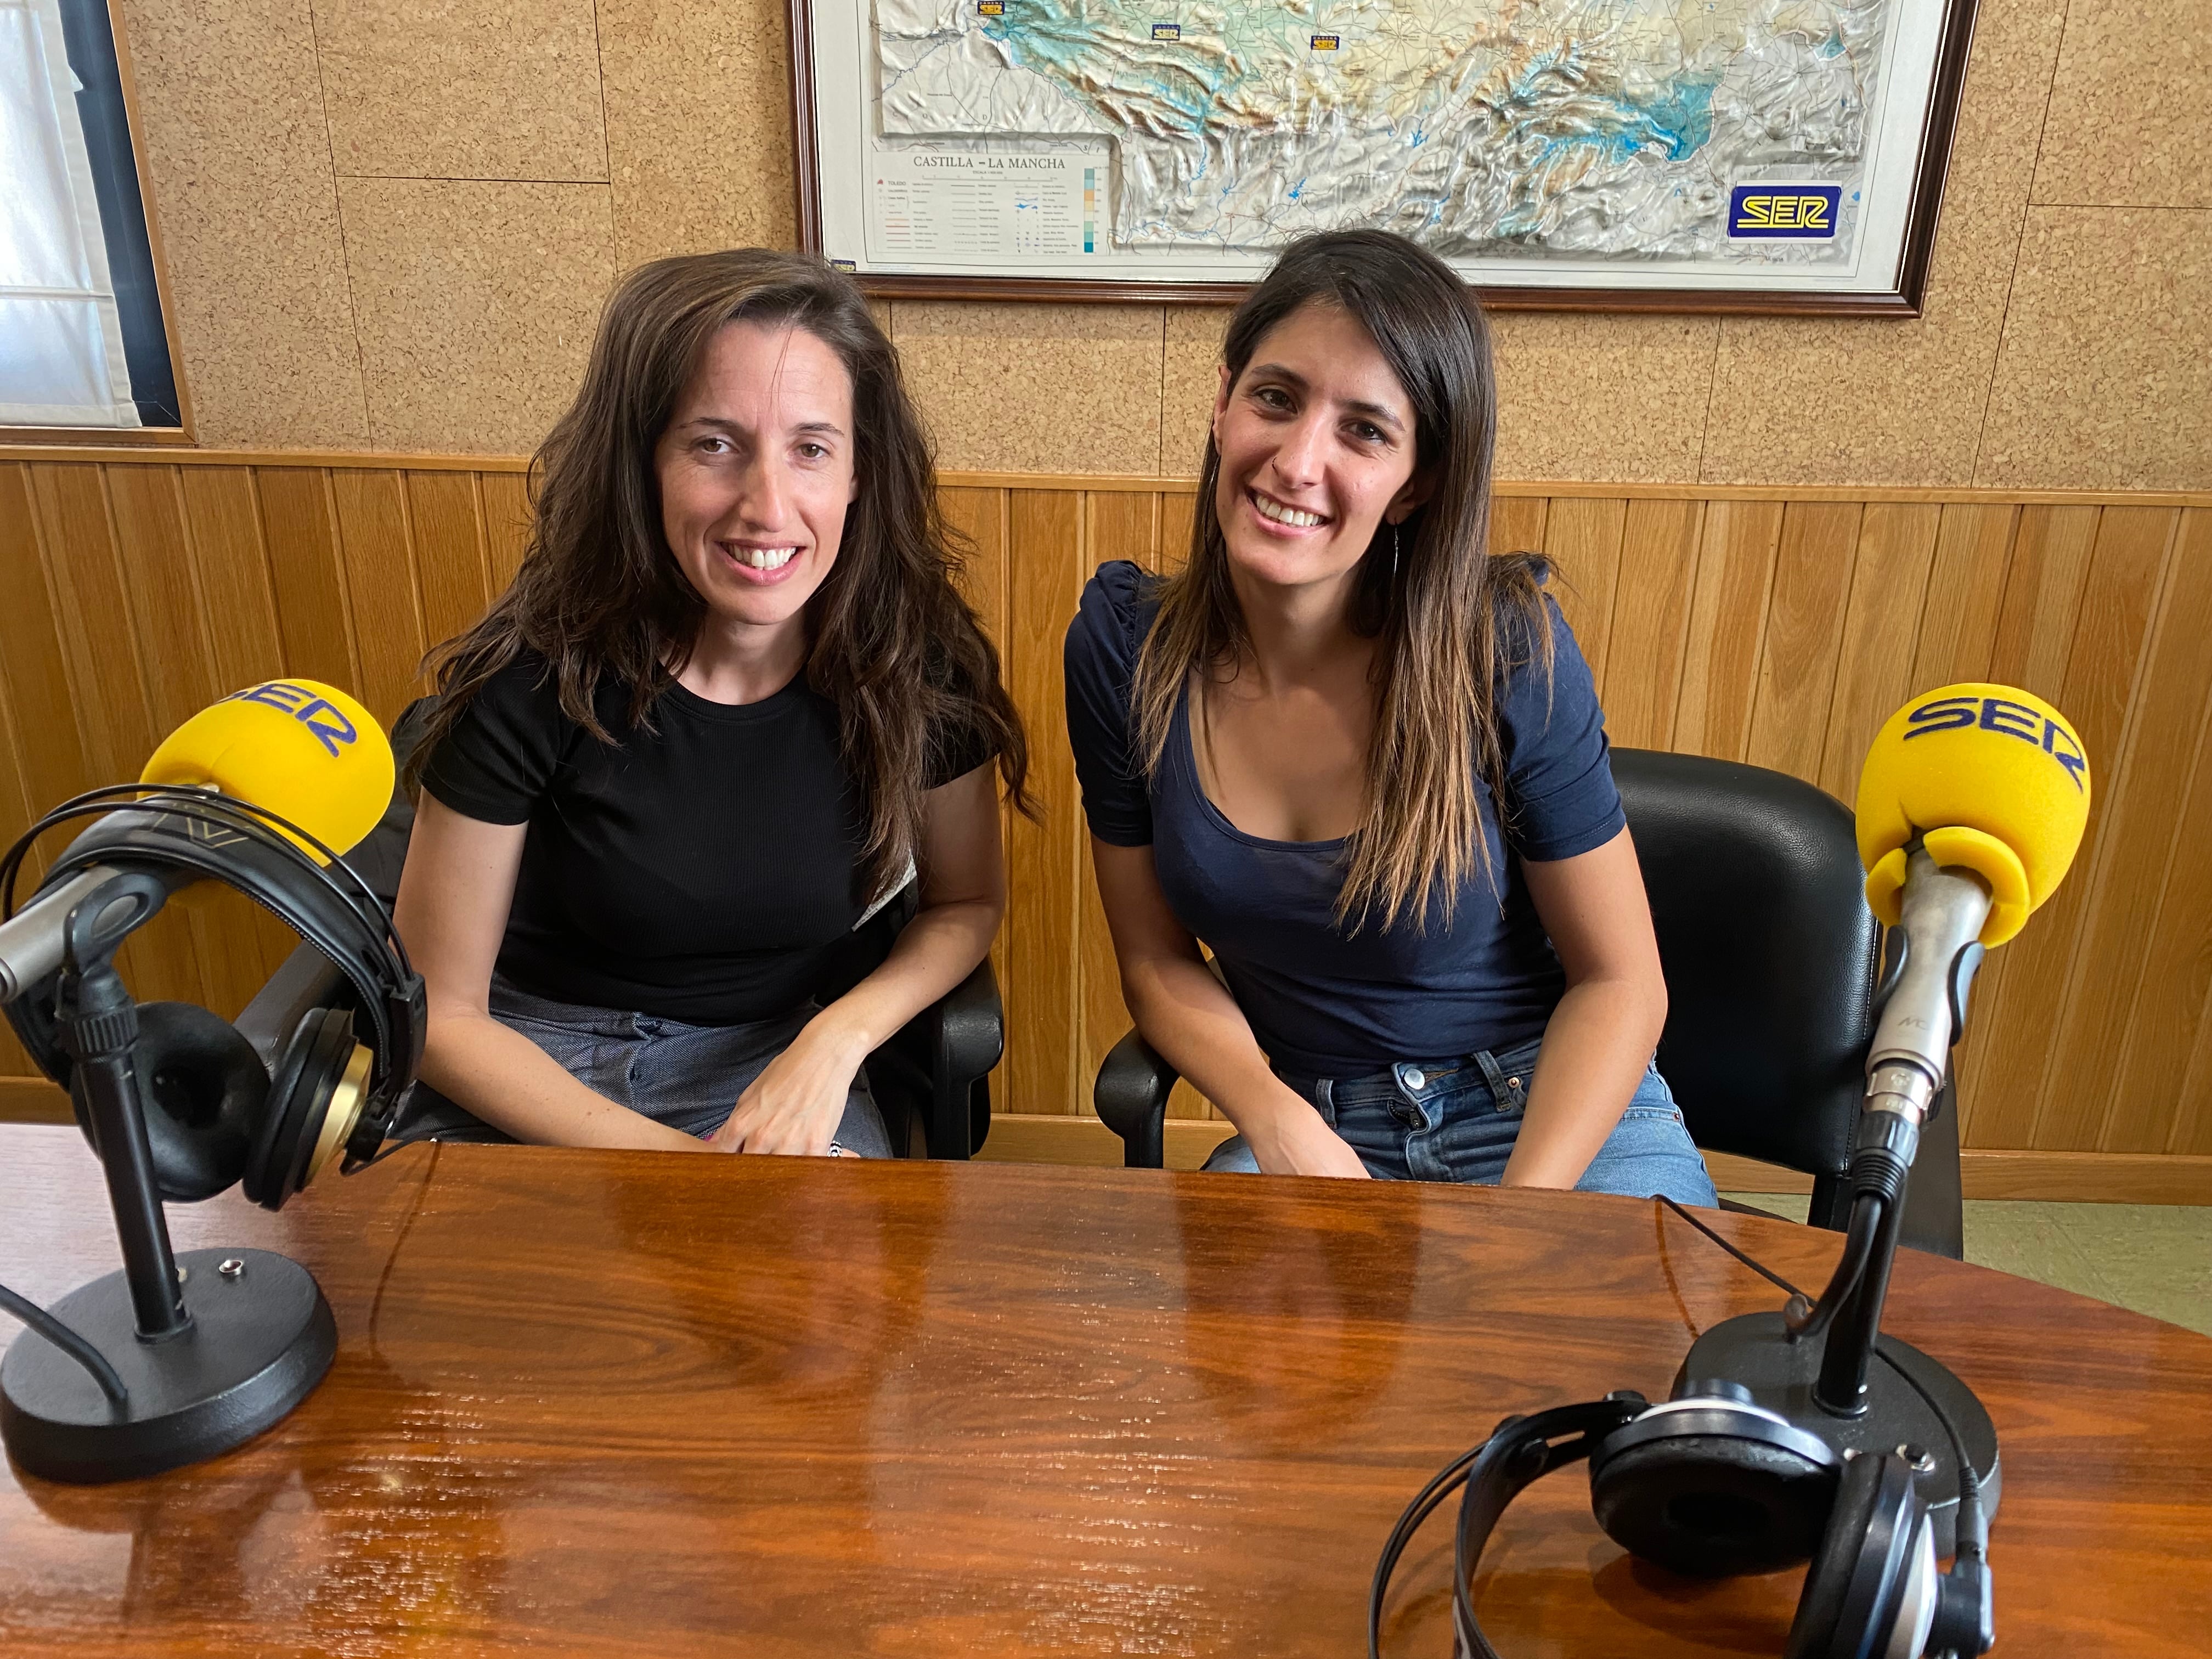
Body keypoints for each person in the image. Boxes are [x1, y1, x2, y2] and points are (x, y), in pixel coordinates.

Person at [1065, 229, 1714, 1202]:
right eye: (1274, 398)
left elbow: (1623, 985)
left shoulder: (1504, 648)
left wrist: (1517, 1218)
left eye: (1363, 429)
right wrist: (1273, 1117)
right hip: (1313, 1122)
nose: (1296, 460)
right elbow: (1155, 962)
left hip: (1549, 1120)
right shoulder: (1125, 651)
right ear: (1222, 404)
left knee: (1608, 1359)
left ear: (1415, 485)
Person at [392, 250, 1026, 1158]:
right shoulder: (535, 671)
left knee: (822, 1302)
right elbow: (444, 1016)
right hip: (525, 1066)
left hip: (771, 1060)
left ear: (858, 472)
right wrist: (684, 1178)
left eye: (811, 449)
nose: (768, 508)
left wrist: (833, 1043)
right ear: (643, 463)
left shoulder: (915, 663)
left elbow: (963, 904)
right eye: (714, 445)